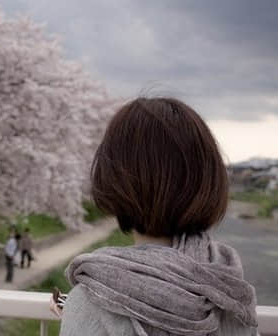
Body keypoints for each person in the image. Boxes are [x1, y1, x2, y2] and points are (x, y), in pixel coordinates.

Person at [53, 97, 259, 336]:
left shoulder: (91, 299)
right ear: (209, 179)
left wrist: (78, 314)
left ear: (113, 180)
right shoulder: (229, 284)